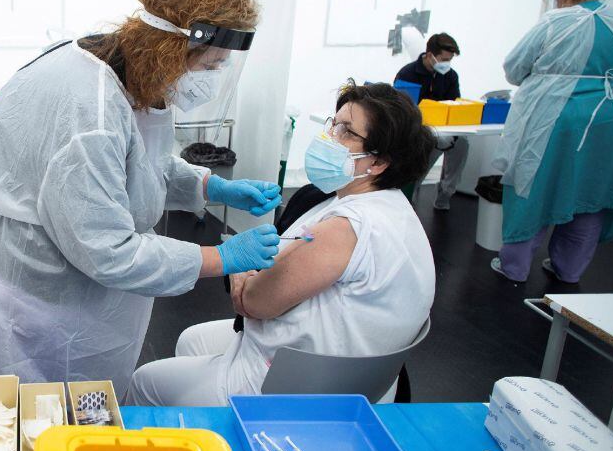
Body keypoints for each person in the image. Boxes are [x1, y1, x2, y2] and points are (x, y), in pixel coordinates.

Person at [0, 0, 284, 395]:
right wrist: (219, 257)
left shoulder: (127, 67)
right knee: (22, 404)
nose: (213, 79)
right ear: (170, 47)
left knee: (61, 397)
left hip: (52, 258)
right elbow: (109, 251)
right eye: (211, 65)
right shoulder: (91, 112)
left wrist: (206, 187)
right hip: (20, 281)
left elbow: (141, 158)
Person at [128, 81, 437, 406]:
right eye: (335, 123)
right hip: (357, 369)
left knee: (144, 382)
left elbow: (253, 302)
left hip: (298, 381)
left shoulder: (346, 228)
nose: (329, 136)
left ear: (378, 162)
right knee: (192, 341)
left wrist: (237, 266)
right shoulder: (392, 208)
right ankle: (208, 433)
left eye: (346, 131)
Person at [492, 0, 613, 283]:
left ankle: (515, 267)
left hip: (559, 116)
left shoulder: (556, 22)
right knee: (591, 194)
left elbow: (514, 68)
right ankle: (569, 269)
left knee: (532, 186)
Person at [394, 32, 469, 210]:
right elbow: (402, 109)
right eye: (444, 59)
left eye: (449, 60)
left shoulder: (450, 76)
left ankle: (446, 192)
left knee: (462, 145)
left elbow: (453, 103)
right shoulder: (408, 74)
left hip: (444, 127)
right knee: (431, 145)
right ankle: (409, 196)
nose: (446, 64)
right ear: (430, 55)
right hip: (418, 129)